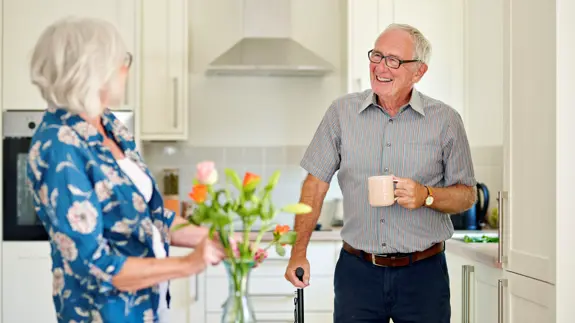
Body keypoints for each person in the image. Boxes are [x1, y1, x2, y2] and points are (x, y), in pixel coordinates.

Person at [26, 17, 225, 323]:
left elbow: (149, 218)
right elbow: (94, 264)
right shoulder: (58, 145)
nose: (125, 69)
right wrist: (189, 264)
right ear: (93, 69)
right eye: (122, 60)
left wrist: (216, 239)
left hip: (146, 308)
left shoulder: (110, 127)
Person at [284, 23, 477, 323]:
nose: (380, 67)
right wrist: (299, 252)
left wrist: (426, 196)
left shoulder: (446, 121)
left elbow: (467, 195)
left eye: (394, 60)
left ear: (419, 72)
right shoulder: (341, 113)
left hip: (423, 276)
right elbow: (315, 184)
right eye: (377, 55)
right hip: (357, 273)